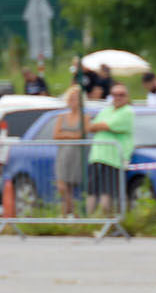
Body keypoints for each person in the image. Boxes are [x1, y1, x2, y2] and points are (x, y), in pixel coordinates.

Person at [86, 81, 136, 215]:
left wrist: (98, 125)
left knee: (107, 194)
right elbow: (90, 127)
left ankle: (107, 221)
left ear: (127, 96)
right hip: (97, 156)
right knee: (92, 192)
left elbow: (105, 126)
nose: (117, 97)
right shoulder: (106, 110)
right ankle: (89, 222)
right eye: (114, 94)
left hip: (114, 159)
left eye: (121, 94)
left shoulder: (127, 112)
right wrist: (97, 125)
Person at [50, 83, 88, 217]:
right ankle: (69, 213)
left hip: (76, 155)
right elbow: (56, 135)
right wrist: (71, 135)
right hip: (63, 154)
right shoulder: (62, 117)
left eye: (76, 98)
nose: (73, 101)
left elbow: (81, 135)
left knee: (71, 186)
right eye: (71, 98)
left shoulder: (84, 117)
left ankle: (70, 214)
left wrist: (65, 134)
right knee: (61, 185)